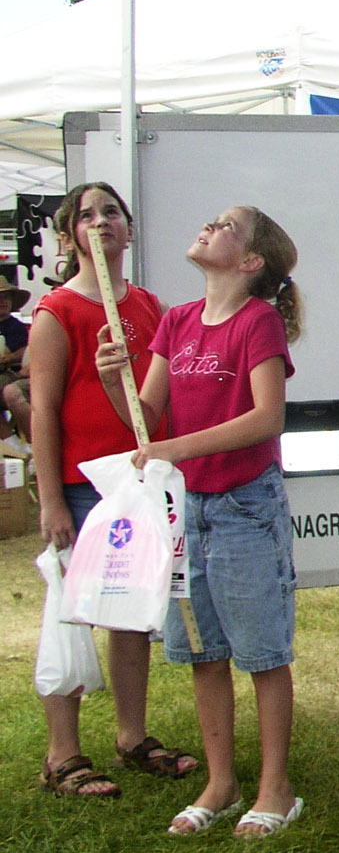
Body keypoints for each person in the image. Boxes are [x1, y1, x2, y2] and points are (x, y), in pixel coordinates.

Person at [98, 205, 303, 838]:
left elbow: (267, 417)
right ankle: (221, 782)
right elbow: (148, 415)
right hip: (186, 510)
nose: (208, 226)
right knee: (202, 651)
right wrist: (115, 382)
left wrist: (174, 451)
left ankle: (277, 787)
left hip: (244, 506)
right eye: (210, 220)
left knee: (263, 653)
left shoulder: (258, 322)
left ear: (250, 262)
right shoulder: (177, 322)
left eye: (226, 226)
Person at [33, 182, 198, 800]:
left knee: (131, 611)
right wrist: (51, 500)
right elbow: (43, 411)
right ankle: (62, 753)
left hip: (136, 481)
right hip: (82, 486)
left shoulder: (150, 306)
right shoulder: (60, 311)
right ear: (69, 234)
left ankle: (132, 735)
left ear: (128, 230)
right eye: (85, 215)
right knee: (71, 610)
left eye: (110, 213)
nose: (99, 222)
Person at [0, 277, 31, 446]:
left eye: (6, 297)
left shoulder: (16, 327)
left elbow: (27, 349)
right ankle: (12, 445)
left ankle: (16, 447)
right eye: (0, 297)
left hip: (12, 374)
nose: (3, 301)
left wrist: (10, 358)